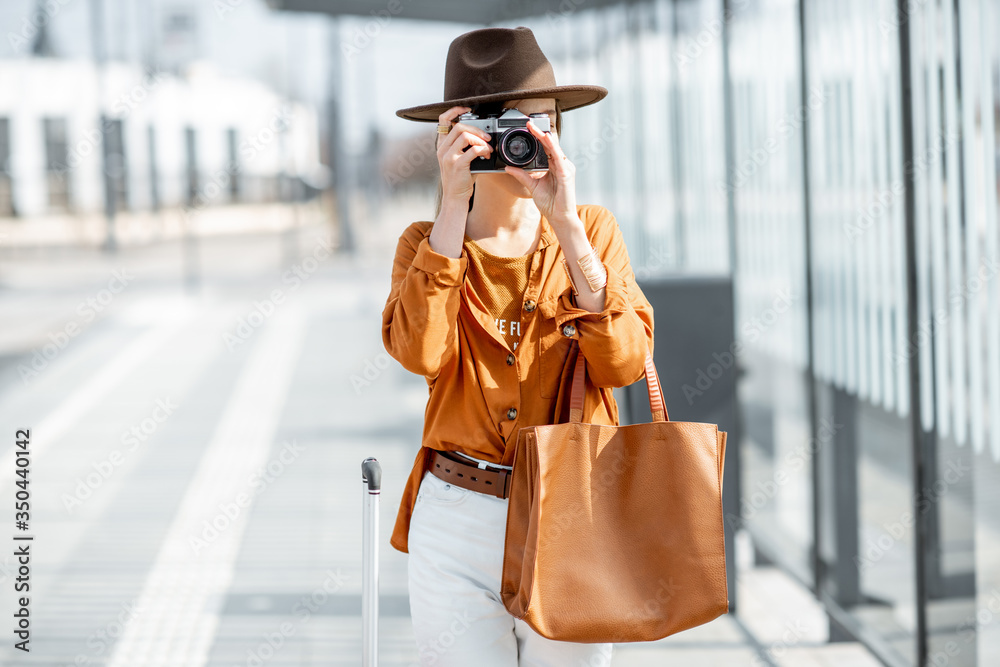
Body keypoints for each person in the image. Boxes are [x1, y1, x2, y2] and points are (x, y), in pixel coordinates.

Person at [382, 26, 655, 667]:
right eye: (501, 124)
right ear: (454, 134)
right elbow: (420, 354)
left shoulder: (590, 231)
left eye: (540, 124)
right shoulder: (423, 243)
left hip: (572, 510)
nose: (521, 141)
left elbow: (623, 363)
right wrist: (451, 208)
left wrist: (565, 225)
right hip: (456, 514)